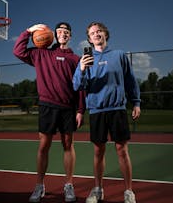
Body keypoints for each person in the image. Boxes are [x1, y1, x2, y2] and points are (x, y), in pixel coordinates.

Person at [13, 22, 85, 202]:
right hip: (47, 106)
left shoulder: (76, 59)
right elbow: (18, 51)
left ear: (70, 36)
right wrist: (28, 31)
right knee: (43, 146)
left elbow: (81, 86)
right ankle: (39, 186)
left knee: (68, 145)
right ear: (54, 34)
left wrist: (80, 110)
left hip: (68, 108)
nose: (63, 34)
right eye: (60, 31)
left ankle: (68, 185)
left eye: (66, 32)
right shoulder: (41, 53)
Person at [72, 22, 141, 203]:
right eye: (92, 33)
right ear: (89, 38)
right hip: (97, 110)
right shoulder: (85, 60)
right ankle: (98, 189)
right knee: (98, 151)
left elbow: (130, 80)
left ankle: (129, 191)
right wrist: (81, 69)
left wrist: (136, 102)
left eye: (99, 31)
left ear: (105, 34)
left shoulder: (119, 55)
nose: (96, 34)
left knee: (122, 150)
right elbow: (77, 85)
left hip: (117, 109)